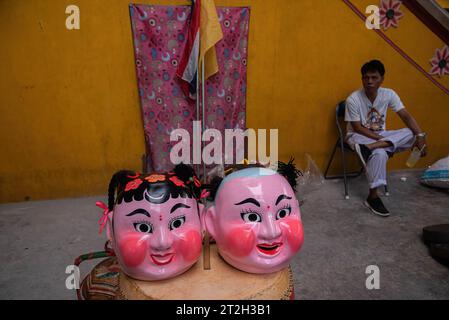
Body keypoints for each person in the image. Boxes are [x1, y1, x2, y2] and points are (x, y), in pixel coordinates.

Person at [345, 60, 427, 217]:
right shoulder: (353, 99)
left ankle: (371, 149)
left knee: (410, 133)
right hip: (357, 137)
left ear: (382, 79)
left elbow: (405, 115)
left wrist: (420, 135)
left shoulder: (389, 94)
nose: (369, 81)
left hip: (375, 140)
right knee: (381, 153)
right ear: (362, 79)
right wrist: (382, 138)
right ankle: (373, 197)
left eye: (374, 77)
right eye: (366, 77)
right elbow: (357, 127)